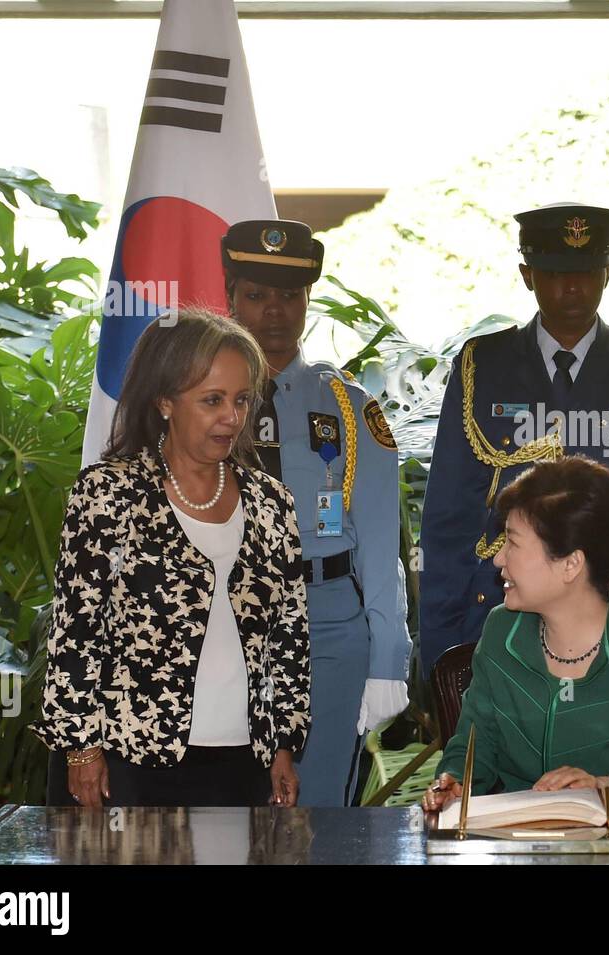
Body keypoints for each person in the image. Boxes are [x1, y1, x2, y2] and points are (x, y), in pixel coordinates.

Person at [418, 202, 609, 679]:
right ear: (526, 274)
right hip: (507, 618)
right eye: (556, 273)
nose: (573, 288)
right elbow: (448, 517)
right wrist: (440, 652)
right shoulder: (484, 366)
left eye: (587, 271)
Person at [33, 309, 309, 807]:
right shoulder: (108, 493)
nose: (233, 417)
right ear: (165, 402)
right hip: (127, 761)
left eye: (242, 400)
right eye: (212, 401)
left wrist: (283, 746)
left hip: (243, 764)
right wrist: (80, 750)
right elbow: (76, 631)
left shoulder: (273, 502)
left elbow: (288, 637)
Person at [221, 219, 410, 807]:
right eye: (255, 295)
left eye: (288, 295)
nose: (273, 311)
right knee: (226, 811)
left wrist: (387, 660)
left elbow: (380, 549)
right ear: (229, 297)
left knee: (319, 809)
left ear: (307, 302)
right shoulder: (196, 400)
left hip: (328, 622)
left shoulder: (349, 409)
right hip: (222, 620)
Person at [421, 456, 609, 809]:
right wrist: (455, 783)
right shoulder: (502, 631)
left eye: (513, 543)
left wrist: (608, 789)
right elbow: (475, 745)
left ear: (570, 564)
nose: (499, 558)